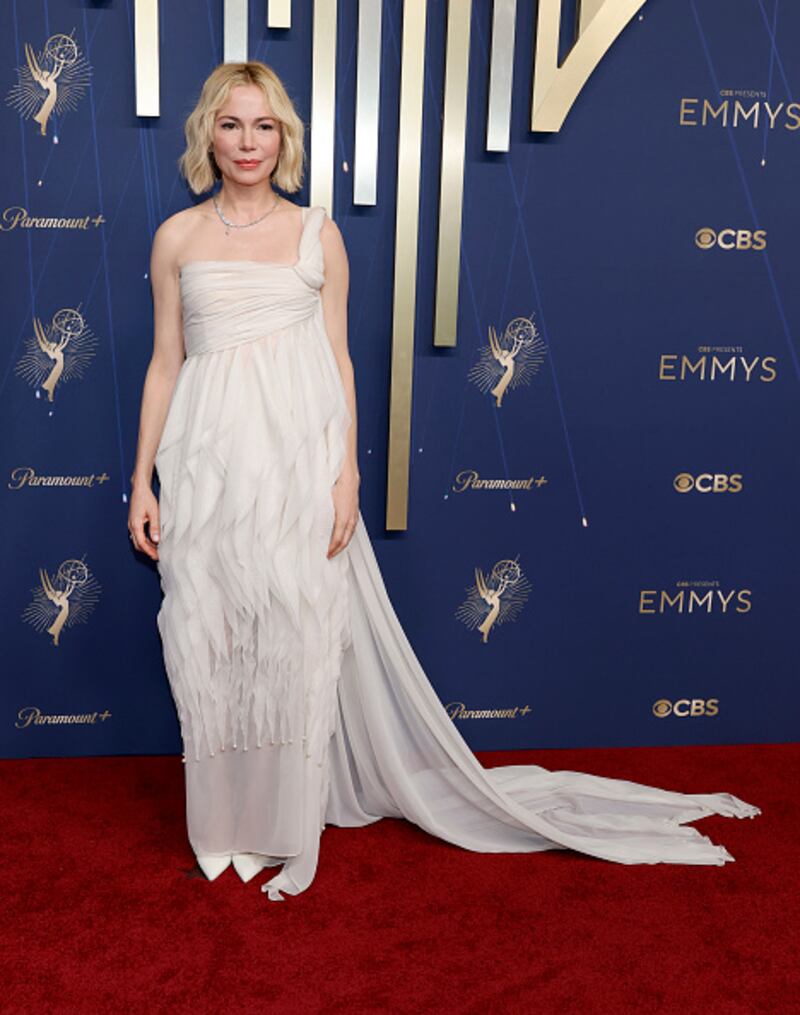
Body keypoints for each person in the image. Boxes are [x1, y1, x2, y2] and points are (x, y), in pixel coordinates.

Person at [128, 61, 759, 903]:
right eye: (232, 124)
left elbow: (339, 361)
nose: (248, 142)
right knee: (212, 637)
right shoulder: (176, 237)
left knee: (295, 638)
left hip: (293, 467)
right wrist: (143, 480)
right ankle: (222, 824)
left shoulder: (317, 233)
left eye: (265, 125)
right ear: (208, 132)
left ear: (284, 138)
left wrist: (347, 472)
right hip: (206, 465)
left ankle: (283, 822)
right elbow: (165, 363)